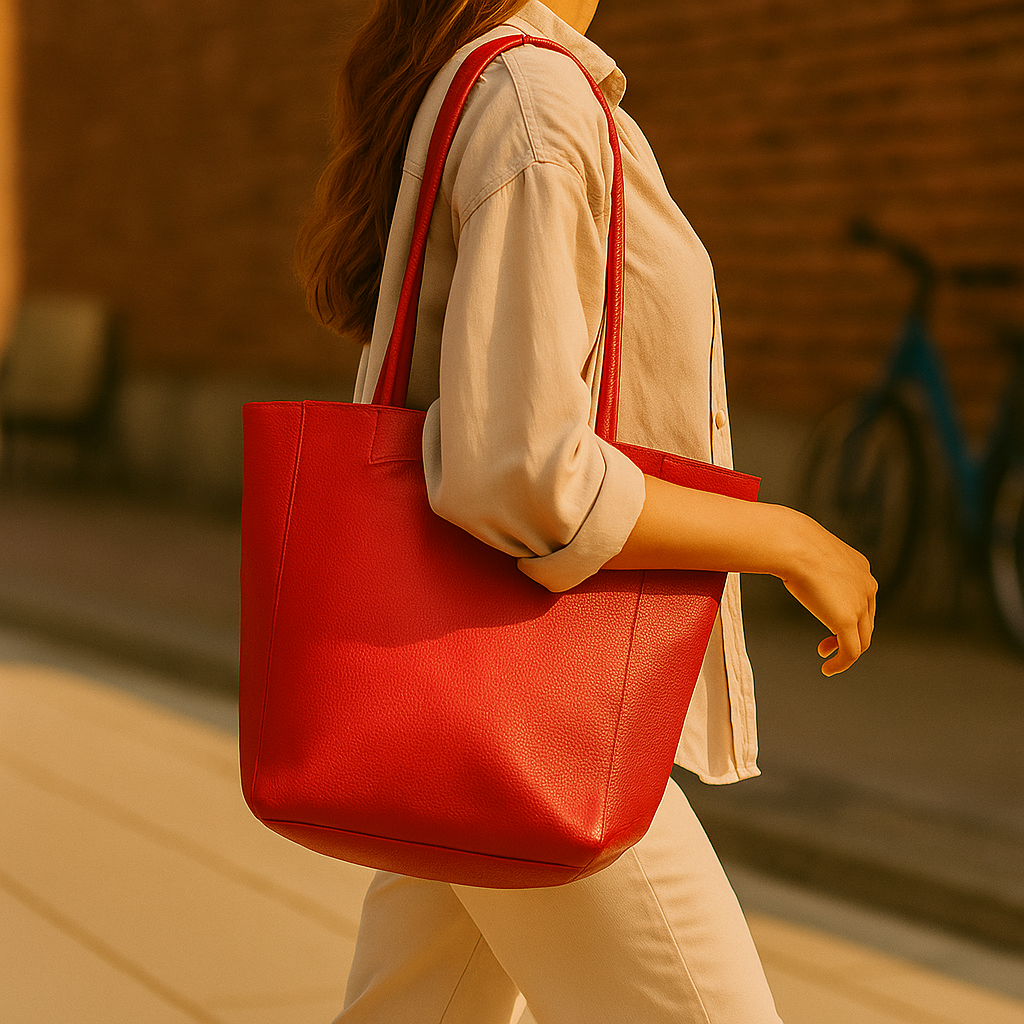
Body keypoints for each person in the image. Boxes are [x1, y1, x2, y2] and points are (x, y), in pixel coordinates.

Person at [296, 0, 877, 1020]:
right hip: (532, 708)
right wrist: (782, 538)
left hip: (459, 697)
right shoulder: (534, 99)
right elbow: (516, 469)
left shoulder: (488, 78)